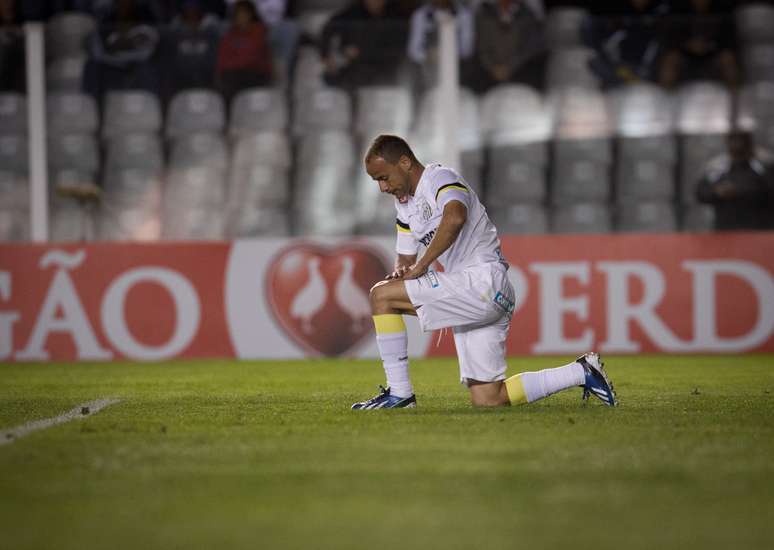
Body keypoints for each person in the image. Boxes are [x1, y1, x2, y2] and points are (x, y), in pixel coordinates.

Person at [352, 135, 618, 409]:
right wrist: (402, 270)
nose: (383, 187)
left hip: (481, 282)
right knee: (489, 398)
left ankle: (400, 394)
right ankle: (581, 372)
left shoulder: (440, 178)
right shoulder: (405, 204)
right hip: (480, 290)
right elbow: (405, 257)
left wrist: (421, 267)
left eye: (384, 177)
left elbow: (455, 217)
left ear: (405, 162)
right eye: (377, 181)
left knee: (381, 297)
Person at [320, 0, 408, 91]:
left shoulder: (396, 15)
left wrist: (363, 51)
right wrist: (325, 56)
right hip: (357, 67)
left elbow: (401, 47)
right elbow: (329, 28)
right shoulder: (352, 13)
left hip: (388, 69)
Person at [696, 132, 774, 231]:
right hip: (726, 229)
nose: (737, 144)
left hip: (758, 229)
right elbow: (701, 192)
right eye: (733, 140)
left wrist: (740, 191)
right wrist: (716, 192)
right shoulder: (718, 168)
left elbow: (769, 189)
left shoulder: (763, 166)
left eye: (740, 140)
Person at [472, 0, 547, 93]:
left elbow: (529, 47)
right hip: (489, 76)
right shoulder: (485, 14)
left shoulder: (526, 14)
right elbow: (481, 46)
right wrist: (493, 67)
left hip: (520, 75)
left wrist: (510, 66)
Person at [215, 0, 272, 104]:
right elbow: (222, 61)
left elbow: (253, 57)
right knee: (225, 81)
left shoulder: (259, 32)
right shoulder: (229, 36)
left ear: (251, 15)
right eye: (238, 14)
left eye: (244, 14)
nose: (241, 17)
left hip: (256, 74)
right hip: (234, 75)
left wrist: (235, 61)